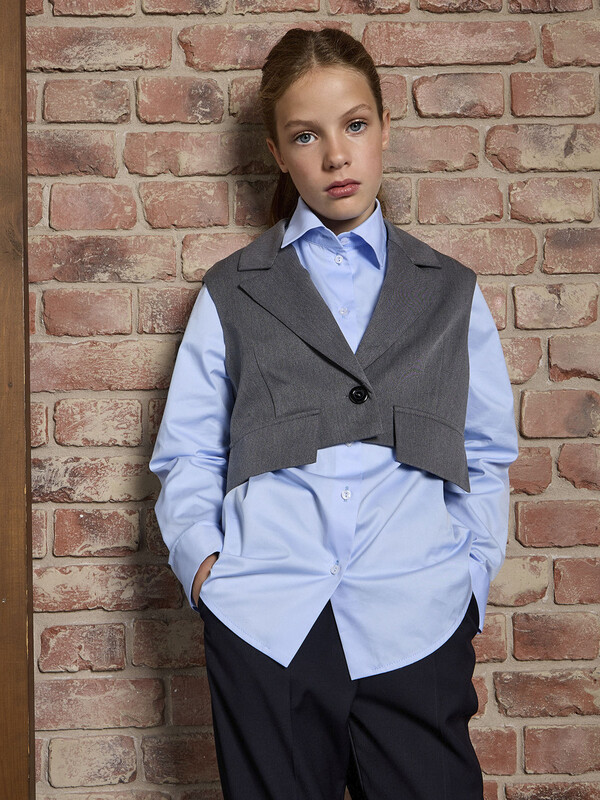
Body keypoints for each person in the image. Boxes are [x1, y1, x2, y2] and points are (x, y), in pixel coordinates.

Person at [149, 27, 519, 800]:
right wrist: (207, 571)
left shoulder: (450, 291)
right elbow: (188, 453)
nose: (335, 156)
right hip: (267, 622)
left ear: (384, 128)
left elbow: (485, 452)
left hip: (417, 617)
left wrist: (469, 579)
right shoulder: (232, 290)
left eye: (353, 125)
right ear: (279, 154)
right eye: (305, 135)